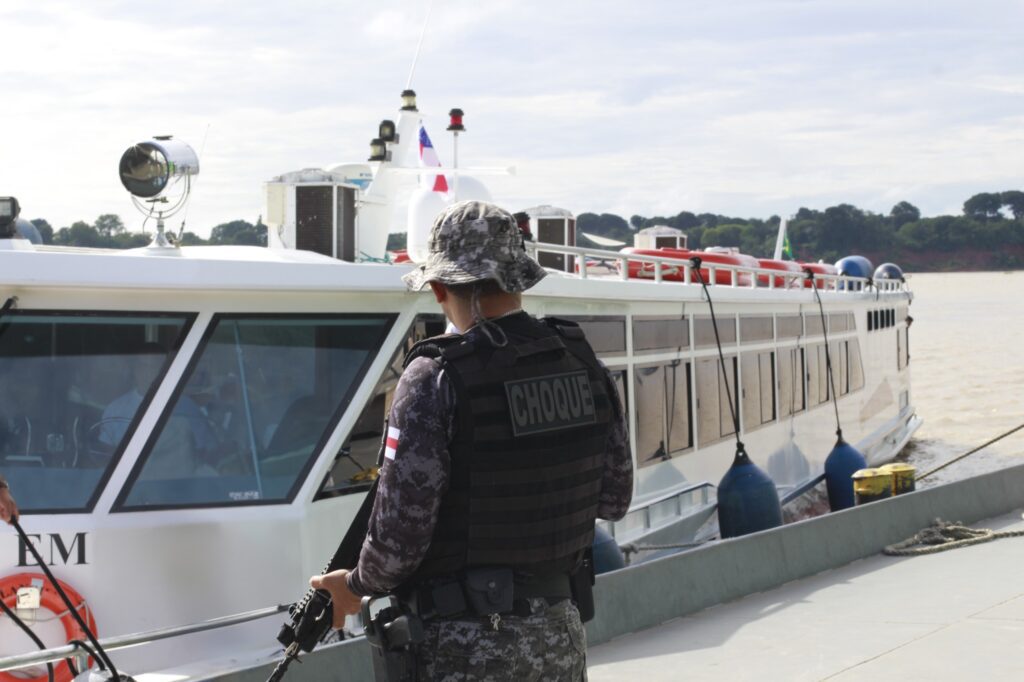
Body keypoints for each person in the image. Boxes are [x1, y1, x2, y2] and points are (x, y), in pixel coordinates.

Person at [311, 201, 633, 680]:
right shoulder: (583, 364)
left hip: (463, 648)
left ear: (439, 288)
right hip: (558, 637)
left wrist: (353, 585)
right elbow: (614, 499)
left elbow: (400, 537)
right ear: (517, 280)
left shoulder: (435, 377)